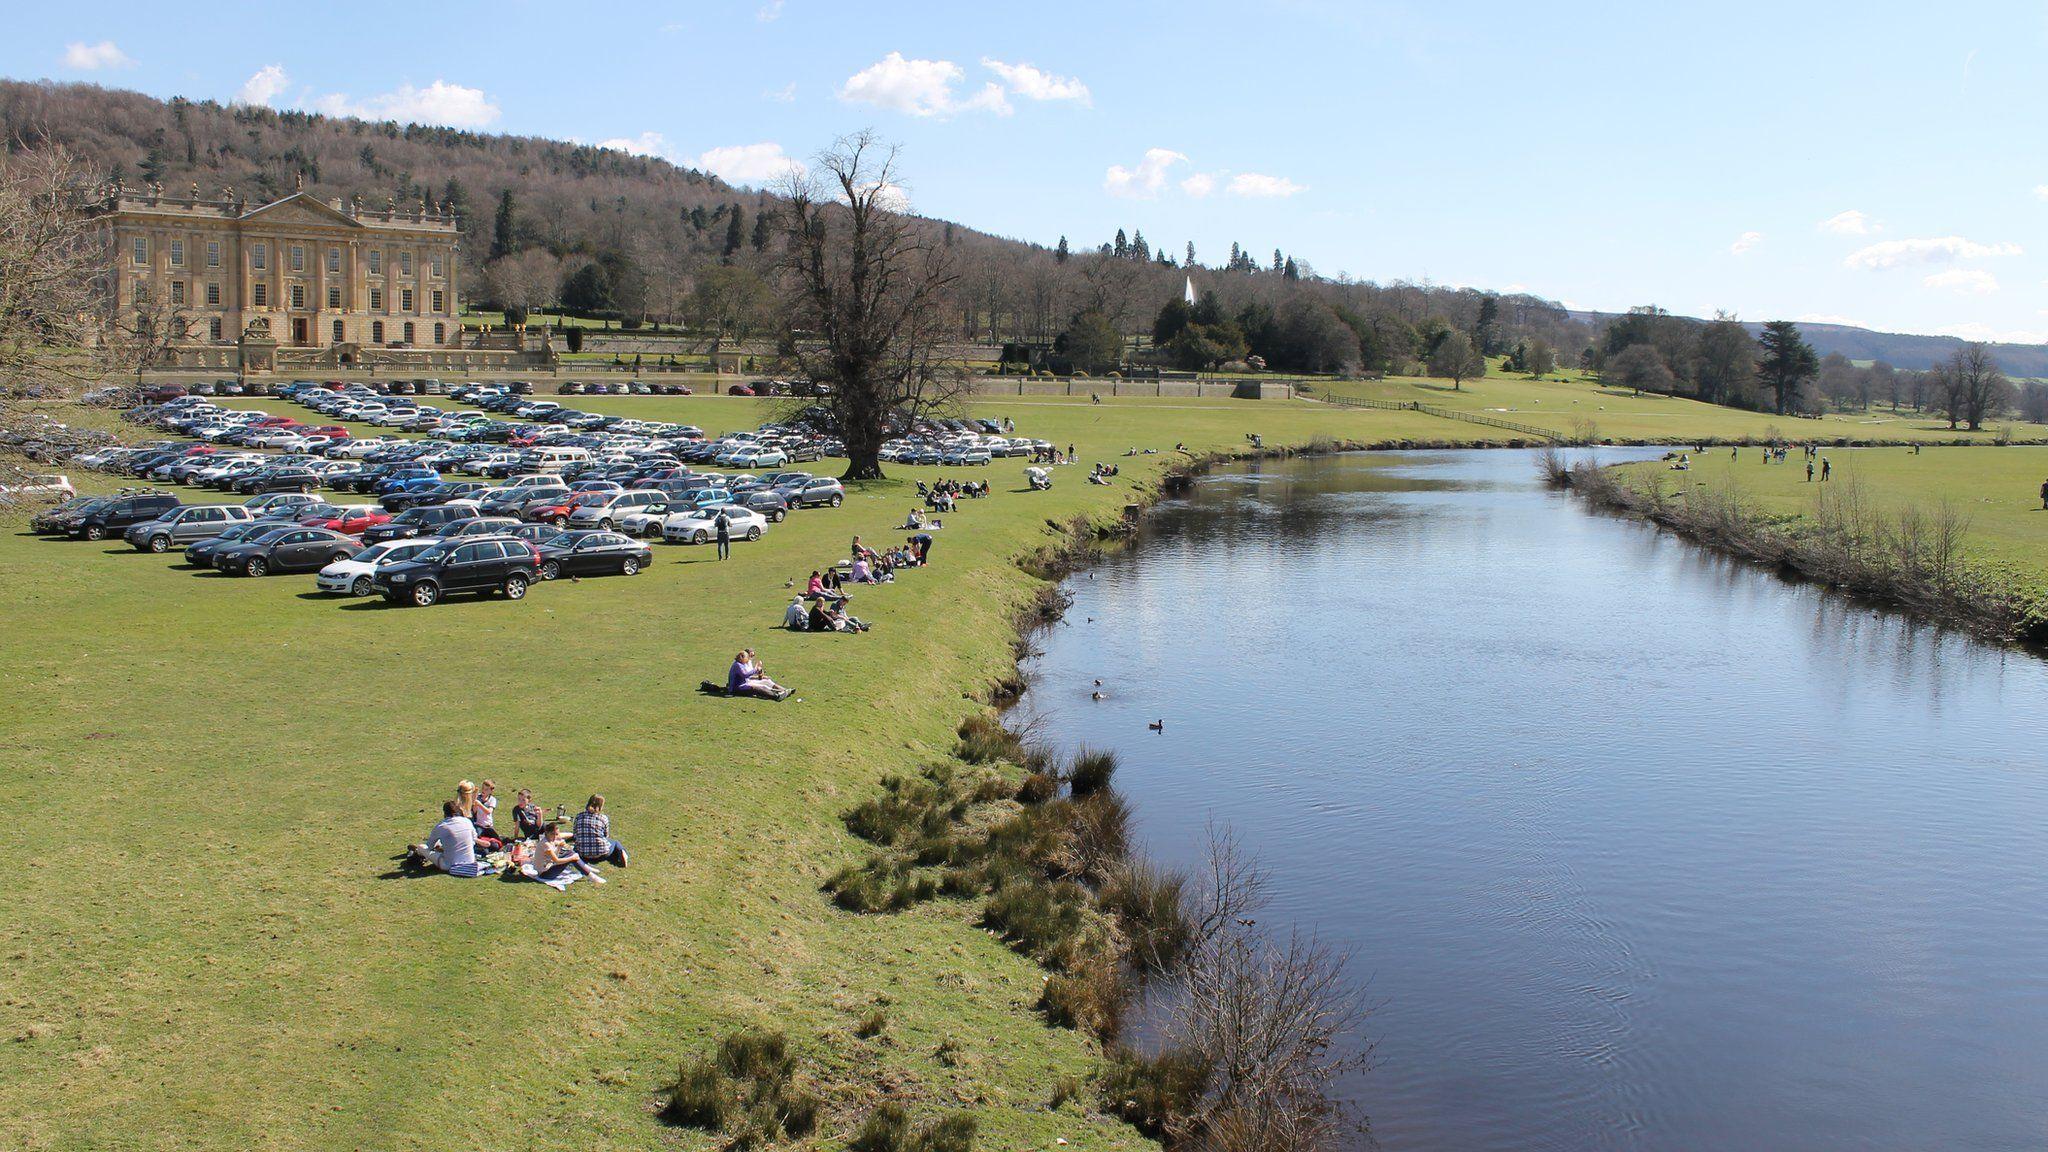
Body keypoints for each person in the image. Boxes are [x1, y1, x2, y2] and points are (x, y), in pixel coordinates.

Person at [416, 800, 495, 877]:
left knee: (421, 847)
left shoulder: (441, 826)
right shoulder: (467, 821)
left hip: (449, 864)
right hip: (470, 860)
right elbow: (473, 839)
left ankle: (418, 853)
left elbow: (429, 846)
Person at [532, 821, 602, 884]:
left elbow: (554, 857)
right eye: (552, 834)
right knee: (572, 857)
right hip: (544, 874)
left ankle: (586, 868)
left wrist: (559, 846)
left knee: (570, 853)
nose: (554, 837)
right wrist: (571, 858)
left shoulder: (549, 840)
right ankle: (591, 875)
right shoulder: (546, 844)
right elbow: (557, 860)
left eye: (556, 834)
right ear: (547, 833)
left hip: (548, 867)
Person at [573, 795, 627, 868]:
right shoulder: (603, 818)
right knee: (615, 843)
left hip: (583, 854)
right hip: (602, 854)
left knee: (576, 847)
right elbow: (606, 835)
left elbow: (575, 834)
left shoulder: (579, 816)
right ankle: (622, 854)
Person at [726, 649, 791, 700]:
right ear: (742, 658)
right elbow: (745, 675)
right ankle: (776, 696)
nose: (748, 659)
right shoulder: (737, 665)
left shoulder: (740, 664)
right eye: (747, 658)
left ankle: (782, 691)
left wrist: (759, 671)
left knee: (763, 685)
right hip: (736, 689)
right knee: (759, 688)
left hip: (742, 684)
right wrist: (756, 668)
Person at [471, 779, 506, 852]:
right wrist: (474, 802)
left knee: (498, 843)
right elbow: (474, 812)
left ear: (491, 791)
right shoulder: (478, 797)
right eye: (483, 788)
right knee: (477, 840)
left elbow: (489, 811)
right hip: (479, 825)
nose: (483, 791)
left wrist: (479, 804)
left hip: (488, 825)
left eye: (486, 789)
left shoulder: (492, 800)